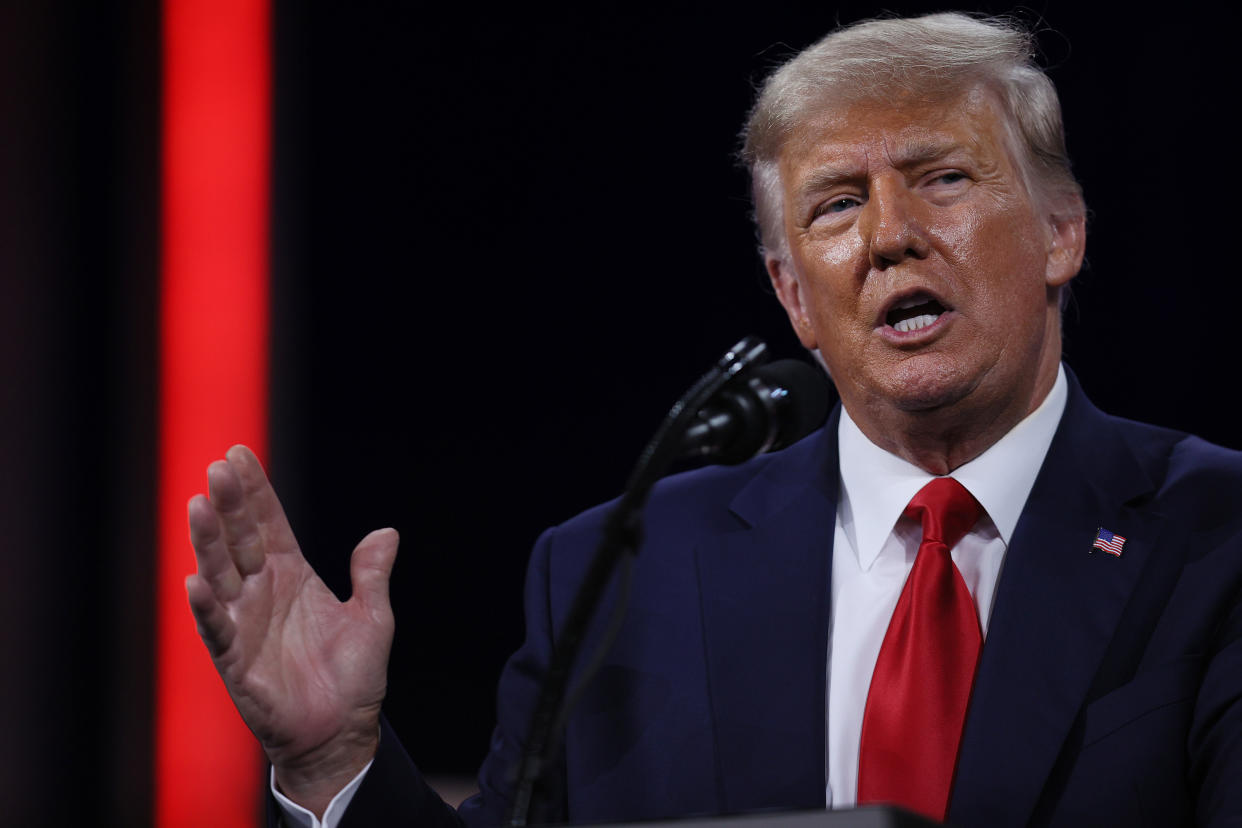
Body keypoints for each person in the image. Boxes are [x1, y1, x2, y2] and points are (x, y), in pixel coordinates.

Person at [187, 12, 1241, 827]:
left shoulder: (1215, 534)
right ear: (792, 297)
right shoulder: (619, 572)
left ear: (1063, 232)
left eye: (944, 179)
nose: (890, 236)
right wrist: (335, 763)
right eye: (836, 204)